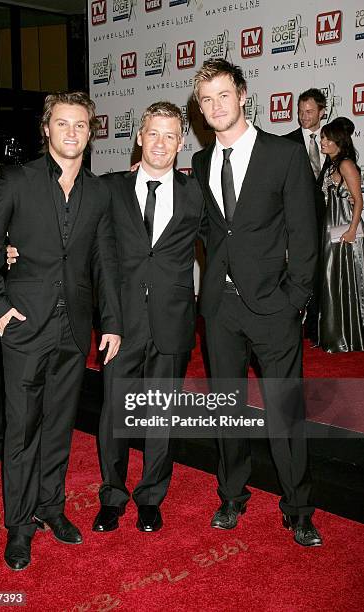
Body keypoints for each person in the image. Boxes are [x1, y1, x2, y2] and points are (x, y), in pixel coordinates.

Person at [0, 92, 122, 571]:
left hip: (74, 328)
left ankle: (50, 508)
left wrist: (112, 323)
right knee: (21, 429)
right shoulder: (16, 179)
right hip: (22, 324)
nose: (72, 132)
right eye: (63, 124)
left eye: (81, 125)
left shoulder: (98, 193)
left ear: (91, 131)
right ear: (47, 129)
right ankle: (18, 525)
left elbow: (104, 261)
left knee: (58, 426)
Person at [192, 59, 322, 546]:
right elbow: (210, 229)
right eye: (206, 100)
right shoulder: (202, 162)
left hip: (273, 307)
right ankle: (231, 494)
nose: (215, 106)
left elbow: (305, 238)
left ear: (243, 95)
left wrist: (293, 299)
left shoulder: (283, 155)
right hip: (219, 310)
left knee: (285, 410)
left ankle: (298, 507)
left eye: (223, 95)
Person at [92, 102, 206, 533]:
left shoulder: (196, 193)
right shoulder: (109, 189)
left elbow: (228, 241)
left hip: (173, 320)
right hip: (120, 323)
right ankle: (112, 495)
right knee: (115, 412)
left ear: (181, 142)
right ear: (139, 137)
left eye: (170, 135)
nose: (161, 143)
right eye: (153, 133)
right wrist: (15, 253)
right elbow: (73, 235)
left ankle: (151, 496)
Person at [284, 88, 329, 344]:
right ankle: (292, 326)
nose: (303, 116)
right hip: (297, 223)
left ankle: (318, 328)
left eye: (310, 111)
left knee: (324, 276)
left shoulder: (332, 141)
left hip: (328, 221)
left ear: (322, 112)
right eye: (300, 111)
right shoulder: (287, 143)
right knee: (299, 275)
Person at [318, 117, 364, 352]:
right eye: (322, 138)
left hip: (345, 231)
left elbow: (359, 200)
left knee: (346, 283)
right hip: (331, 229)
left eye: (327, 138)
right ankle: (335, 335)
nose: (322, 141)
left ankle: (349, 336)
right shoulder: (332, 165)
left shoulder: (346, 164)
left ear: (339, 141)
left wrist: (353, 230)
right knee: (331, 280)